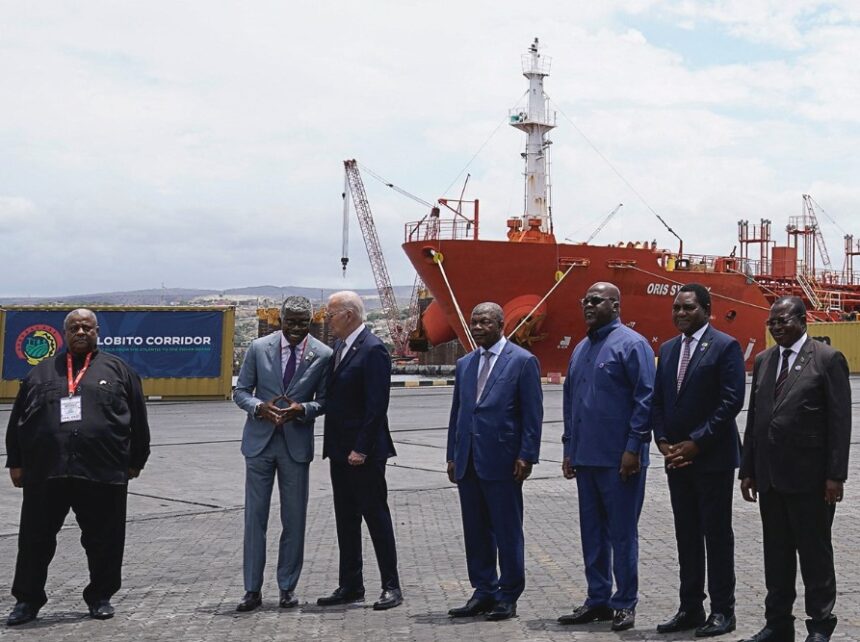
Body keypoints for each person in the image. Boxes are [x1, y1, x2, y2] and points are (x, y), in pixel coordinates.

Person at [4, 309, 150, 626]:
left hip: (102, 471)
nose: (80, 331)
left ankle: (100, 596)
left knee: (105, 540)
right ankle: (27, 601)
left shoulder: (119, 370)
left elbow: (138, 418)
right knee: (34, 540)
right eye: (74, 327)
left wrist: (136, 460)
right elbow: (17, 422)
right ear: (64, 333)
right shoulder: (40, 373)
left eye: (86, 326)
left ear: (97, 331)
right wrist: (15, 462)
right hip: (46, 472)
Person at [738, 297, 851, 642]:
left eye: (782, 320)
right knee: (777, 554)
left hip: (811, 481)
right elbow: (756, 417)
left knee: (815, 555)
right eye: (772, 322)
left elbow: (839, 421)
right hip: (771, 479)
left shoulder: (827, 359)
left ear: (803, 321)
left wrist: (835, 476)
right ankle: (778, 624)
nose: (775, 327)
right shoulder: (764, 359)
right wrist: (748, 469)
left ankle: (819, 625)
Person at [558, 282, 655, 632]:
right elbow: (570, 403)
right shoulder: (581, 348)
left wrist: (633, 448)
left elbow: (646, 399)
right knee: (592, 534)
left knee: (622, 533)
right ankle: (597, 599)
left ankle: (625, 602)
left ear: (616, 305)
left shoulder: (633, 345)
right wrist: (569, 449)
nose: (588, 305)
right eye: (586, 299)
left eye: (596, 300)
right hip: (586, 459)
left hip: (620, 461)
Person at [651, 284, 745, 637]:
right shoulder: (669, 349)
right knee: (686, 535)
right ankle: (690, 606)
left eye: (687, 308)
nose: (679, 314)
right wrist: (662, 440)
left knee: (716, 536)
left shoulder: (725, 346)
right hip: (676, 459)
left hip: (712, 459)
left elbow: (731, 401)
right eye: (675, 308)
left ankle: (723, 611)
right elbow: (659, 400)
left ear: (707, 309)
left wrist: (697, 442)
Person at [232, 296, 332, 612]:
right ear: (280, 319)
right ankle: (252, 590)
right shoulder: (258, 348)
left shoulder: (323, 354)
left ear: (312, 322)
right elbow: (241, 391)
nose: (296, 328)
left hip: (295, 445)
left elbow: (326, 401)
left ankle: (287, 587)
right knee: (254, 518)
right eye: (291, 321)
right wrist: (258, 408)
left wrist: (304, 409)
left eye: (303, 323)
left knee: (294, 519)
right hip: (259, 444)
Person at [445, 302, 543, 621]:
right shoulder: (465, 364)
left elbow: (532, 414)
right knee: (475, 530)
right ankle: (483, 590)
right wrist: (452, 455)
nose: (477, 328)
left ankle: (508, 593)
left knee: (506, 530)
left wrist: (527, 455)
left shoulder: (523, 361)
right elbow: (458, 412)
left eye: (484, 322)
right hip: (468, 460)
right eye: (474, 322)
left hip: (503, 460)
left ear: (501, 324)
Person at [316, 291, 402, 611]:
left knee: (376, 518)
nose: (327, 320)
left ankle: (391, 586)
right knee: (346, 520)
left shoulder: (374, 350)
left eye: (331, 314)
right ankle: (351, 584)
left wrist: (362, 448)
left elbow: (377, 406)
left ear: (349, 315)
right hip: (339, 451)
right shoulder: (339, 347)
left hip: (364, 453)